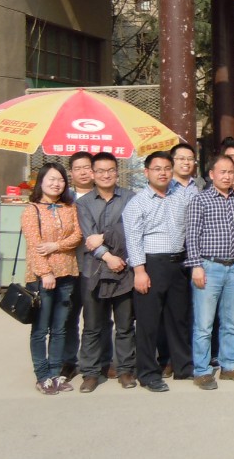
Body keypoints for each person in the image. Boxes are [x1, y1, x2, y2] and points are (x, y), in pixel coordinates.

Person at [122, 151, 193, 393]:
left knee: (179, 319)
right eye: (157, 168)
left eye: (166, 168)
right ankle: (148, 373)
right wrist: (139, 271)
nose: (163, 173)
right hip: (151, 265)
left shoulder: (180, 196)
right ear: (146, 172)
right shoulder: (137, 203)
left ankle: (183, 366)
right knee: (148, 322)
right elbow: (133, 239)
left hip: (178, 263)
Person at [186, 155, 234, 390]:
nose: (227, 176)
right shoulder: (200, 200)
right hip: (209, 267)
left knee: (231, 322)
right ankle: (202, 370)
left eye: (230, 172)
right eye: (222, 172)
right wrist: (196, 265)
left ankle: (229, 365)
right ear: (211, 174)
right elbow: (192, 235)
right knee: (204, 324)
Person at [75, 152, 136, 392]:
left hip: (124, 269)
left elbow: (131, 229)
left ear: (117, 172)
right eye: (100, 171)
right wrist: (109, 256)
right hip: (94, 270)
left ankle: (125, 369)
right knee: (93, 325)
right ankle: (91, 372)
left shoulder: (130, 198)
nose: (106, 175)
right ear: (92, 174)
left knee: (125, 325)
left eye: (110, 170)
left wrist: (105, 236)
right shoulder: (84, 203)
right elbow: (88, 236)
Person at [21, 163, 82, 395]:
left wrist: (56, 245)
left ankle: (56, 373)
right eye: (52, 179)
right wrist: (45, 272)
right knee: (40, 329)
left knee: (60, 327)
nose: (57, 184)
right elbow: (34, 245)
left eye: (61, 180)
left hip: (67, 273)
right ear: (41, 182)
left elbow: (77, 235)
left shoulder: (69, 207)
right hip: (42, 277)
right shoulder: (32, 210)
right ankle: (42, 376)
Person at [61, 150, 95, 382]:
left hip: (94, 266)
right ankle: (68, 361)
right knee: (68, 317)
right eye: (78, 168)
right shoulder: (63, 199)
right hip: (69, 267)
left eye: (87, 167)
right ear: (71, 172)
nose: (83, 172)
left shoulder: (102, 196)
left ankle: (97, 361)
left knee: (96, 319)